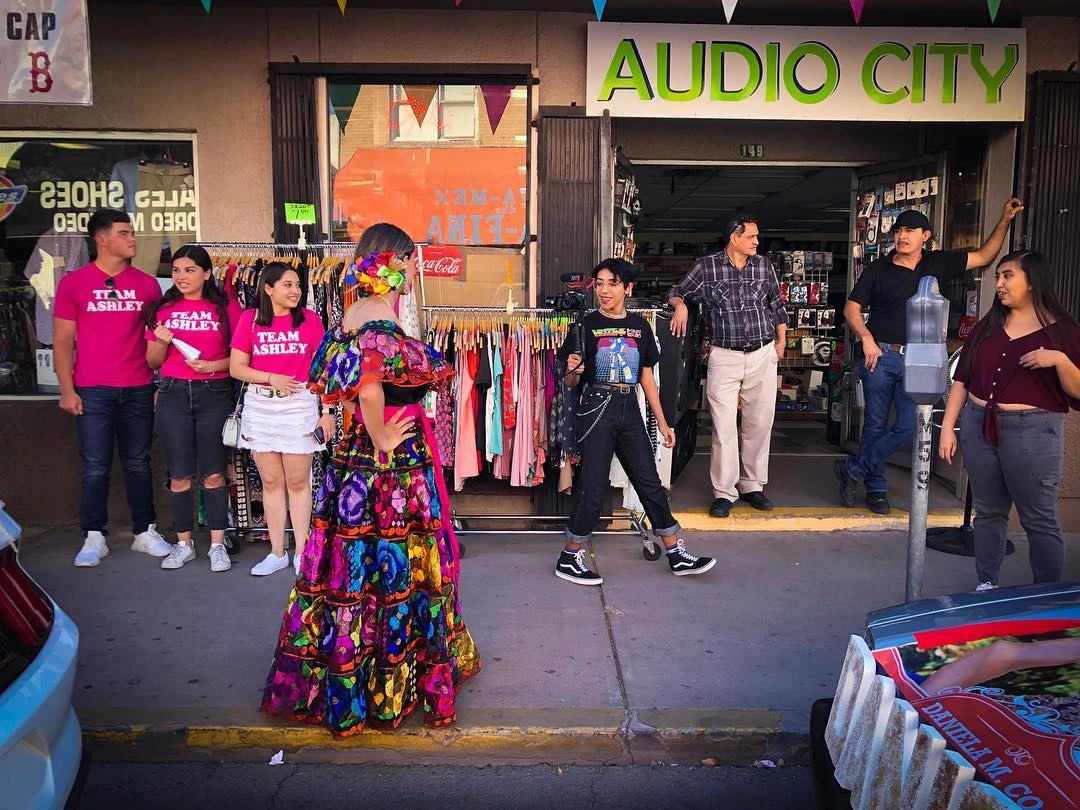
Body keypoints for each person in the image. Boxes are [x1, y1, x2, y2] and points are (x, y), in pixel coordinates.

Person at [260, 222, 479, 735]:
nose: (408, 270)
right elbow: (369, 381)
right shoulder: (379, 313)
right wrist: (382, 436)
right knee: (397, 561)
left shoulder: (352, 310)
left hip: (357, 460)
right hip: (389, 462)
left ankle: (359, 665)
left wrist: (371, 431)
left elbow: (345, 378)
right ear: (386, 260)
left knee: (358, 566)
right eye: (403, 261)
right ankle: (393, 673)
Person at [835, 198, 1023, 515]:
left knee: (910, 427)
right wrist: (866, 338)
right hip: (880, 357)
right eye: (898, 230)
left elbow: (986, 255)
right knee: (875, 427)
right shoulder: (878, 269)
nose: (902, 236)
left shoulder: (939, 263)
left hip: (921, 360)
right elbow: (851, 309)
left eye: (910, 230)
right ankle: (877, 488)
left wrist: (1004, 218)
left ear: (926, 236)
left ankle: (853, 468)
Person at [557, 258, 715, 585]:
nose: (603, 290)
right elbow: (571, 384)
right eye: (599, 283)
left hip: (630, 408)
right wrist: (574, 369)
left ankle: (674, 552)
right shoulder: (583, 326)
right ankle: (569, 557)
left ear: (627, 288)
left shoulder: (640, 327)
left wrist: (664, 422)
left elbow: (646, 378)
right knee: (593, 486)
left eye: (611, 283)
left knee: (649, 482)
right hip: (597, 408)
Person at [939, 250, 1080, 590]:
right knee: (987, 512)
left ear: (1032, 282)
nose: (999, 284)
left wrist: (1059, 360)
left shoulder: (1062, 333)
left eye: (1007, 276)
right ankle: (987, 584)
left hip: (1033, 432)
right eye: (998, 276)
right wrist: (948, 426)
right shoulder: (988, 325)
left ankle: (1046, 596)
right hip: (978, 423)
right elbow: (963, 379)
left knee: (1038, 518)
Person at [54, 208, 174, 567]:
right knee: (94, 465)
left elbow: (158, 340)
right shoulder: (74, 284)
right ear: (101, 239)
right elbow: (62, 342)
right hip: (92, 389)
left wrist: (158, 383)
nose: (133, 239)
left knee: (138, 463)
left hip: (138, 385)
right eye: (124, 233)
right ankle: (93, 536)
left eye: (132, 232)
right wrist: (66, 389)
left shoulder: (148, 284)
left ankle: (144, 532)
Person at [668, 213, 787, 519]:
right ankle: (724, 492)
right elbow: (675, 291)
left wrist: (781, 340)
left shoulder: (763, 265)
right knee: (723, 428)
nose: (757, 242)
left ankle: (752, 485)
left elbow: (776, 303)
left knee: (759, 424)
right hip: (724, 355)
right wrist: (681, 305)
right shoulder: (707, 267)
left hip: (762, 352)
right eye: (752, 237)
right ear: (734, 237)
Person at [145, 245, 242, 573]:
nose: (181, 276)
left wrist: (212, 365)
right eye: (176, 270)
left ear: (206, 273)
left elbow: (243, 360)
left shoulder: (227, 308)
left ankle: (217, 544)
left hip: (214, 393)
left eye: (189, 270)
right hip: (172, 394)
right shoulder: (163, 308)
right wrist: (159, 341)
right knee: (179, 475)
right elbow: (152, 361)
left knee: (214, 473)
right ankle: (183, 543)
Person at [229, 262, 329, 577]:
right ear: (268, 288)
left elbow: (323, 369)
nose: (295, 290)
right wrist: (272, 377)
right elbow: (237, 367)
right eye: (287, 284)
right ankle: (276, 552)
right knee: (271, 482)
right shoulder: (251, 320)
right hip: (261, 406)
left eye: (297, 284)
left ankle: (302, 551)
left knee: (299, 482)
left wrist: (327, 413)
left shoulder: (311, 321)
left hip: (299, 405)